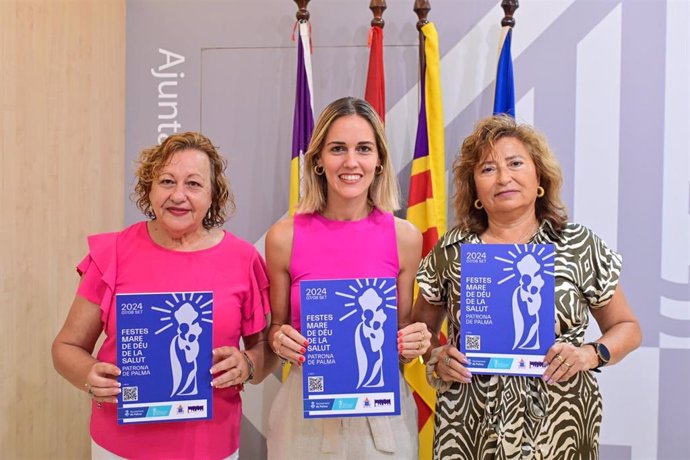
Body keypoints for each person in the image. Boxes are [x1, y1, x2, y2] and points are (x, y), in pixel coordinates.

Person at [413, 115, 642, 458]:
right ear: (475, 189)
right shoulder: (452, 250)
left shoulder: (579, 245)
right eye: (487, 169)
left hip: (558, 428)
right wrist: (437, 356)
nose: (503, 177)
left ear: (539, 178)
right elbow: (421, 330)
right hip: (469, 429)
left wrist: (589, 354)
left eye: (515, 163)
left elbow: (628, 327)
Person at [52, 132, 277, 460]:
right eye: (167, 181)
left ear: (214, 195)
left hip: (211, 446)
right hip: (121, 445)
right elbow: (66, 347)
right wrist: (88, 374)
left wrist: (248, 363)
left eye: (194, 184)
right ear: (149, 188)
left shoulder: (243, 260)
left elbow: (265, 348)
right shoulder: (112, 253)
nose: (178, 195)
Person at [265, 97, 429, 459]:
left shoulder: (405, 237)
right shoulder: (283, 237)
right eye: (338, 148)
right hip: (303, 416)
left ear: (379, 160)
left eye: (364, 149)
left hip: (382, 419)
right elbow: (275, 327)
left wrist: (413, 341)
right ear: (318, 160)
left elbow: (401, 332)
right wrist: (279, 339)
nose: (351, 162)